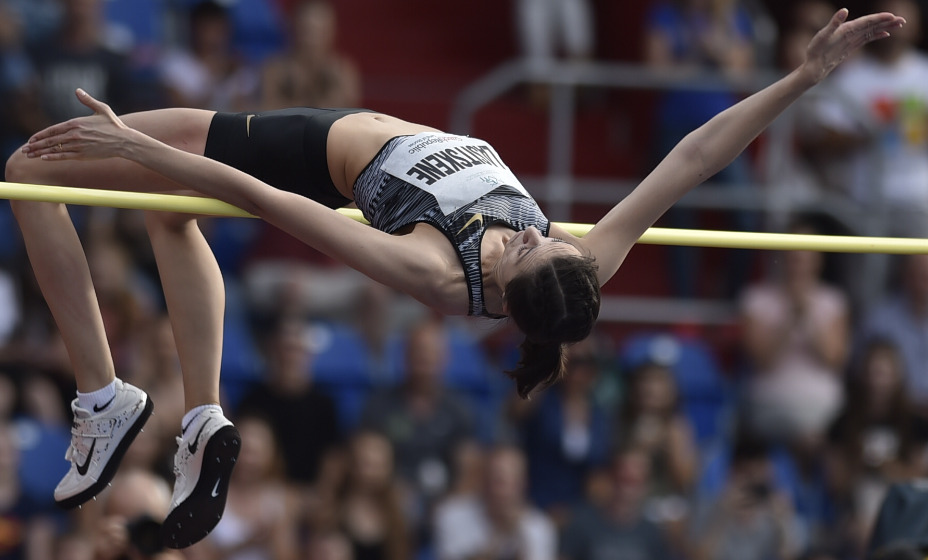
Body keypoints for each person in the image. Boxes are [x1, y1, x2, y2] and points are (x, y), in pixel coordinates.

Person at [4, 6, 904, 549]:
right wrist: (801, 79)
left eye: (533, 246)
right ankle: (200, 416)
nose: (538, 229)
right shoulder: (582, 265)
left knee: (32, 171)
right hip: (339, 123)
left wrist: (138, 148)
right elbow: (696, 156)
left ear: (510, 284)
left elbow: (265, 200)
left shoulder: (435, 273)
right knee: (169, 219)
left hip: (303, 149)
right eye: (553, 237)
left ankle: (103, 398)